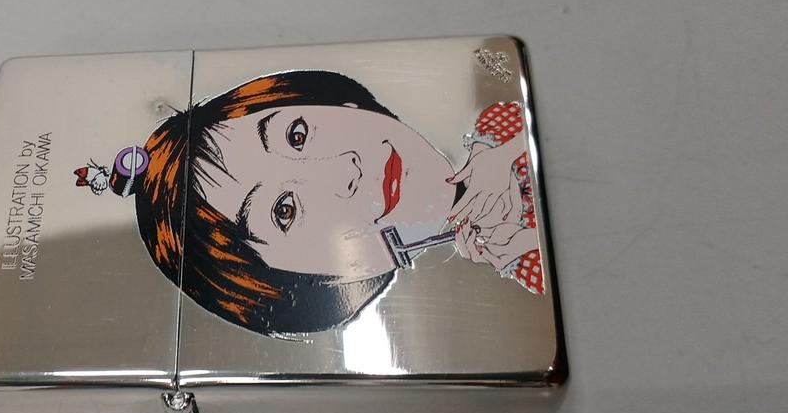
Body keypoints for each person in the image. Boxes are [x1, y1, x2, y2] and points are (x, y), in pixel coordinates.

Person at [79, 71, 540, 338]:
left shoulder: (502, 124)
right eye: (285, 210)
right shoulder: (513, 271)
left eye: (296, 134)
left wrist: (510, 151)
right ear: (307, 285)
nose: (346, 170)